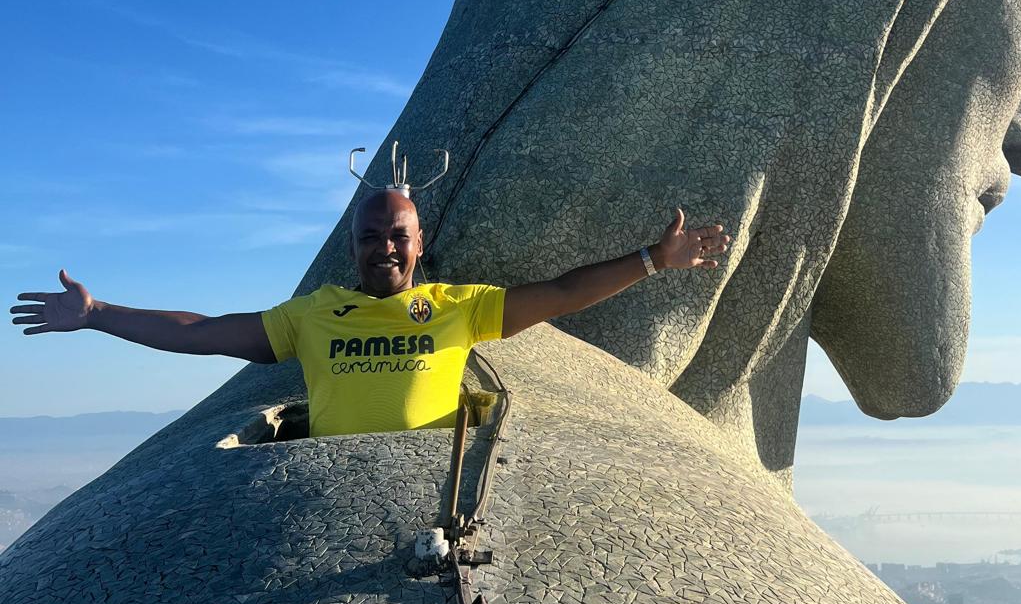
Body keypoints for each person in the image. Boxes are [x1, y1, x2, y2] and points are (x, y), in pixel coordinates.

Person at [10, 193, 729, 437]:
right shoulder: (313, 315)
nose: (384, 246)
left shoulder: (458, 309)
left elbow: (564, 291)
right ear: (352, 249)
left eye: (397, 236)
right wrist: (100, 312)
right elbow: (201, 332)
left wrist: (654, 262)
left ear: (419, 246)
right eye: (370, 237)